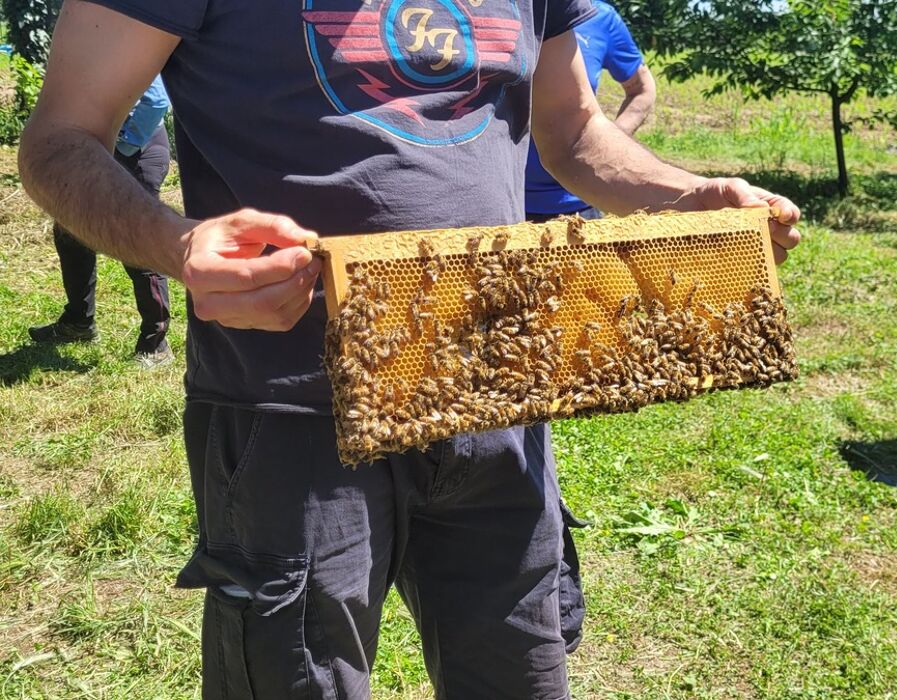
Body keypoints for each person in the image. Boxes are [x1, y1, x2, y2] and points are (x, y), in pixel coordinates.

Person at [18, 2, 802, 698]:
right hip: (289, 410)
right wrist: (178, 242)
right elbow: (60, 140)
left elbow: (572, 130)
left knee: (519, 676)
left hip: (494, 390)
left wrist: (685, 196)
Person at [27, 76, 172, 369]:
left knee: (136, 242)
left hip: (136, 145)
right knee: (70, 231)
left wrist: (122, 146)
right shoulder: (84, 38)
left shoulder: (129, 36)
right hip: (95, 145)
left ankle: (155, 342)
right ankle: (78, 323)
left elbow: (156, 101)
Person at [526, 0, 654, 222]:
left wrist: (613, 138)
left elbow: (642, 89)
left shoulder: (602, 18)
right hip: (502, 203)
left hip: (579, 204)